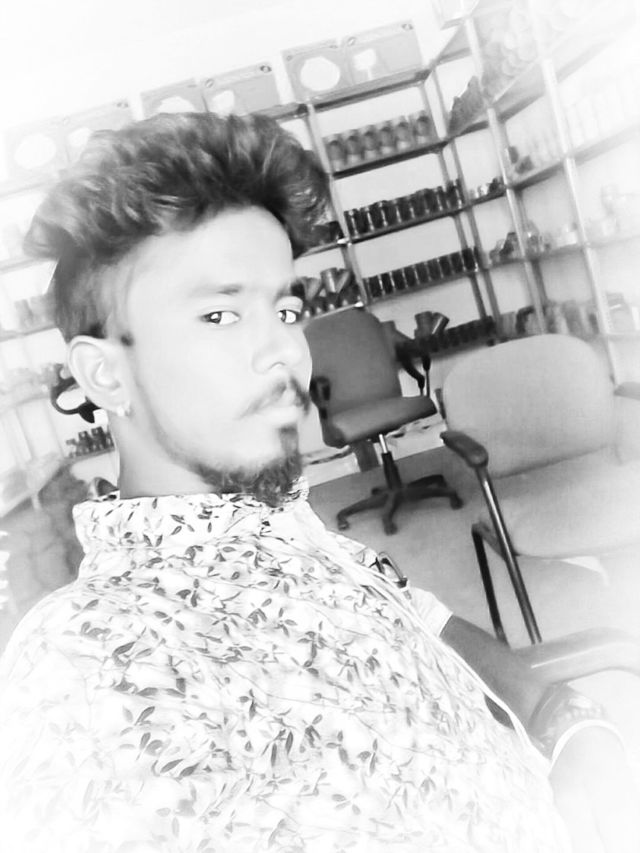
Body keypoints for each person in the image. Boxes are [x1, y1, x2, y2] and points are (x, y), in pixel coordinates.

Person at [0, 112, 636, 853]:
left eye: (286, 309)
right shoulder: (85, 663)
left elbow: (420, 614)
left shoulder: (286, 521)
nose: (285, 351)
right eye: (219, 314)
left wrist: (561, 715)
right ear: (107, 374)